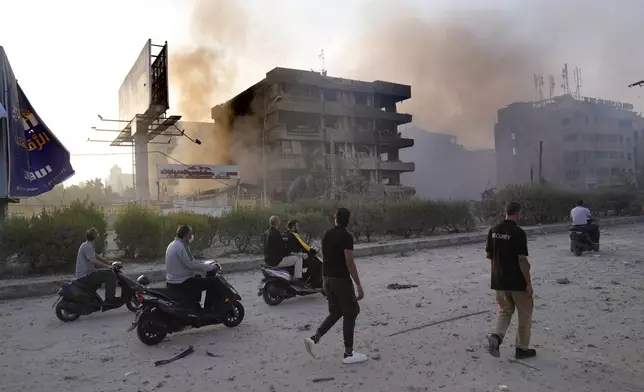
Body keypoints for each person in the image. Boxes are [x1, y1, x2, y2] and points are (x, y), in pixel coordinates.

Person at [304, 208, 368, 364]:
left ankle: (314, 338)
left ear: (336, 219)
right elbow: (349, 261)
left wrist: (324, 280)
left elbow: (325, 259)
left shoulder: (327, 235)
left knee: (337, 311)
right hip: (341, 280)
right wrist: (358, 284)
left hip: (329, 278)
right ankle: (348, 353)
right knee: (351, 311)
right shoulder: (346, 237)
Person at [486, 201, 536, 360]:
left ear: (505, 212)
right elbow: (522, 260)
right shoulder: (518, 232)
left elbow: (489, 255)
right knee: (525, 314)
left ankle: (496, 336)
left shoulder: (493, 230)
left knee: (505, 311)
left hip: (499, 282)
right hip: (517, 282)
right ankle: (522, 349)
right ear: (518, 213)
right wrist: (528, 283)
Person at [165, 225, 219, 311]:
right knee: (213, 283)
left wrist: (202, 266)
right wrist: (210, 268)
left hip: (173, 281)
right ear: (186, 235)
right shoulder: (182, 246)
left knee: (198, 278)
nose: (192, 236)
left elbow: (189, 263)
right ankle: (208, 310)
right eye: (191, 234)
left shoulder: (172, 244)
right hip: (182, 282)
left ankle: (195, 306)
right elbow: (191, 264)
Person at [75, 228, 120, 305]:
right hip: (86, 275)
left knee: (108, 273)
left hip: (87, 273)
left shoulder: (87, 245)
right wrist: (108, 266)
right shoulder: (88, 246)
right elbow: (93, 260)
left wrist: (108, 262)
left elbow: (96, 256)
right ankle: (110, 300)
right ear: (95, 237)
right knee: (111, 275)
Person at [263, 215, 304, 282]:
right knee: (298, 259)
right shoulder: (276, 233)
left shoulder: (266, 233)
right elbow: (283, 249)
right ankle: (297, 280)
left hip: (268, 260)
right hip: (276, 261)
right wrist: (295, 254)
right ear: (278, 223)